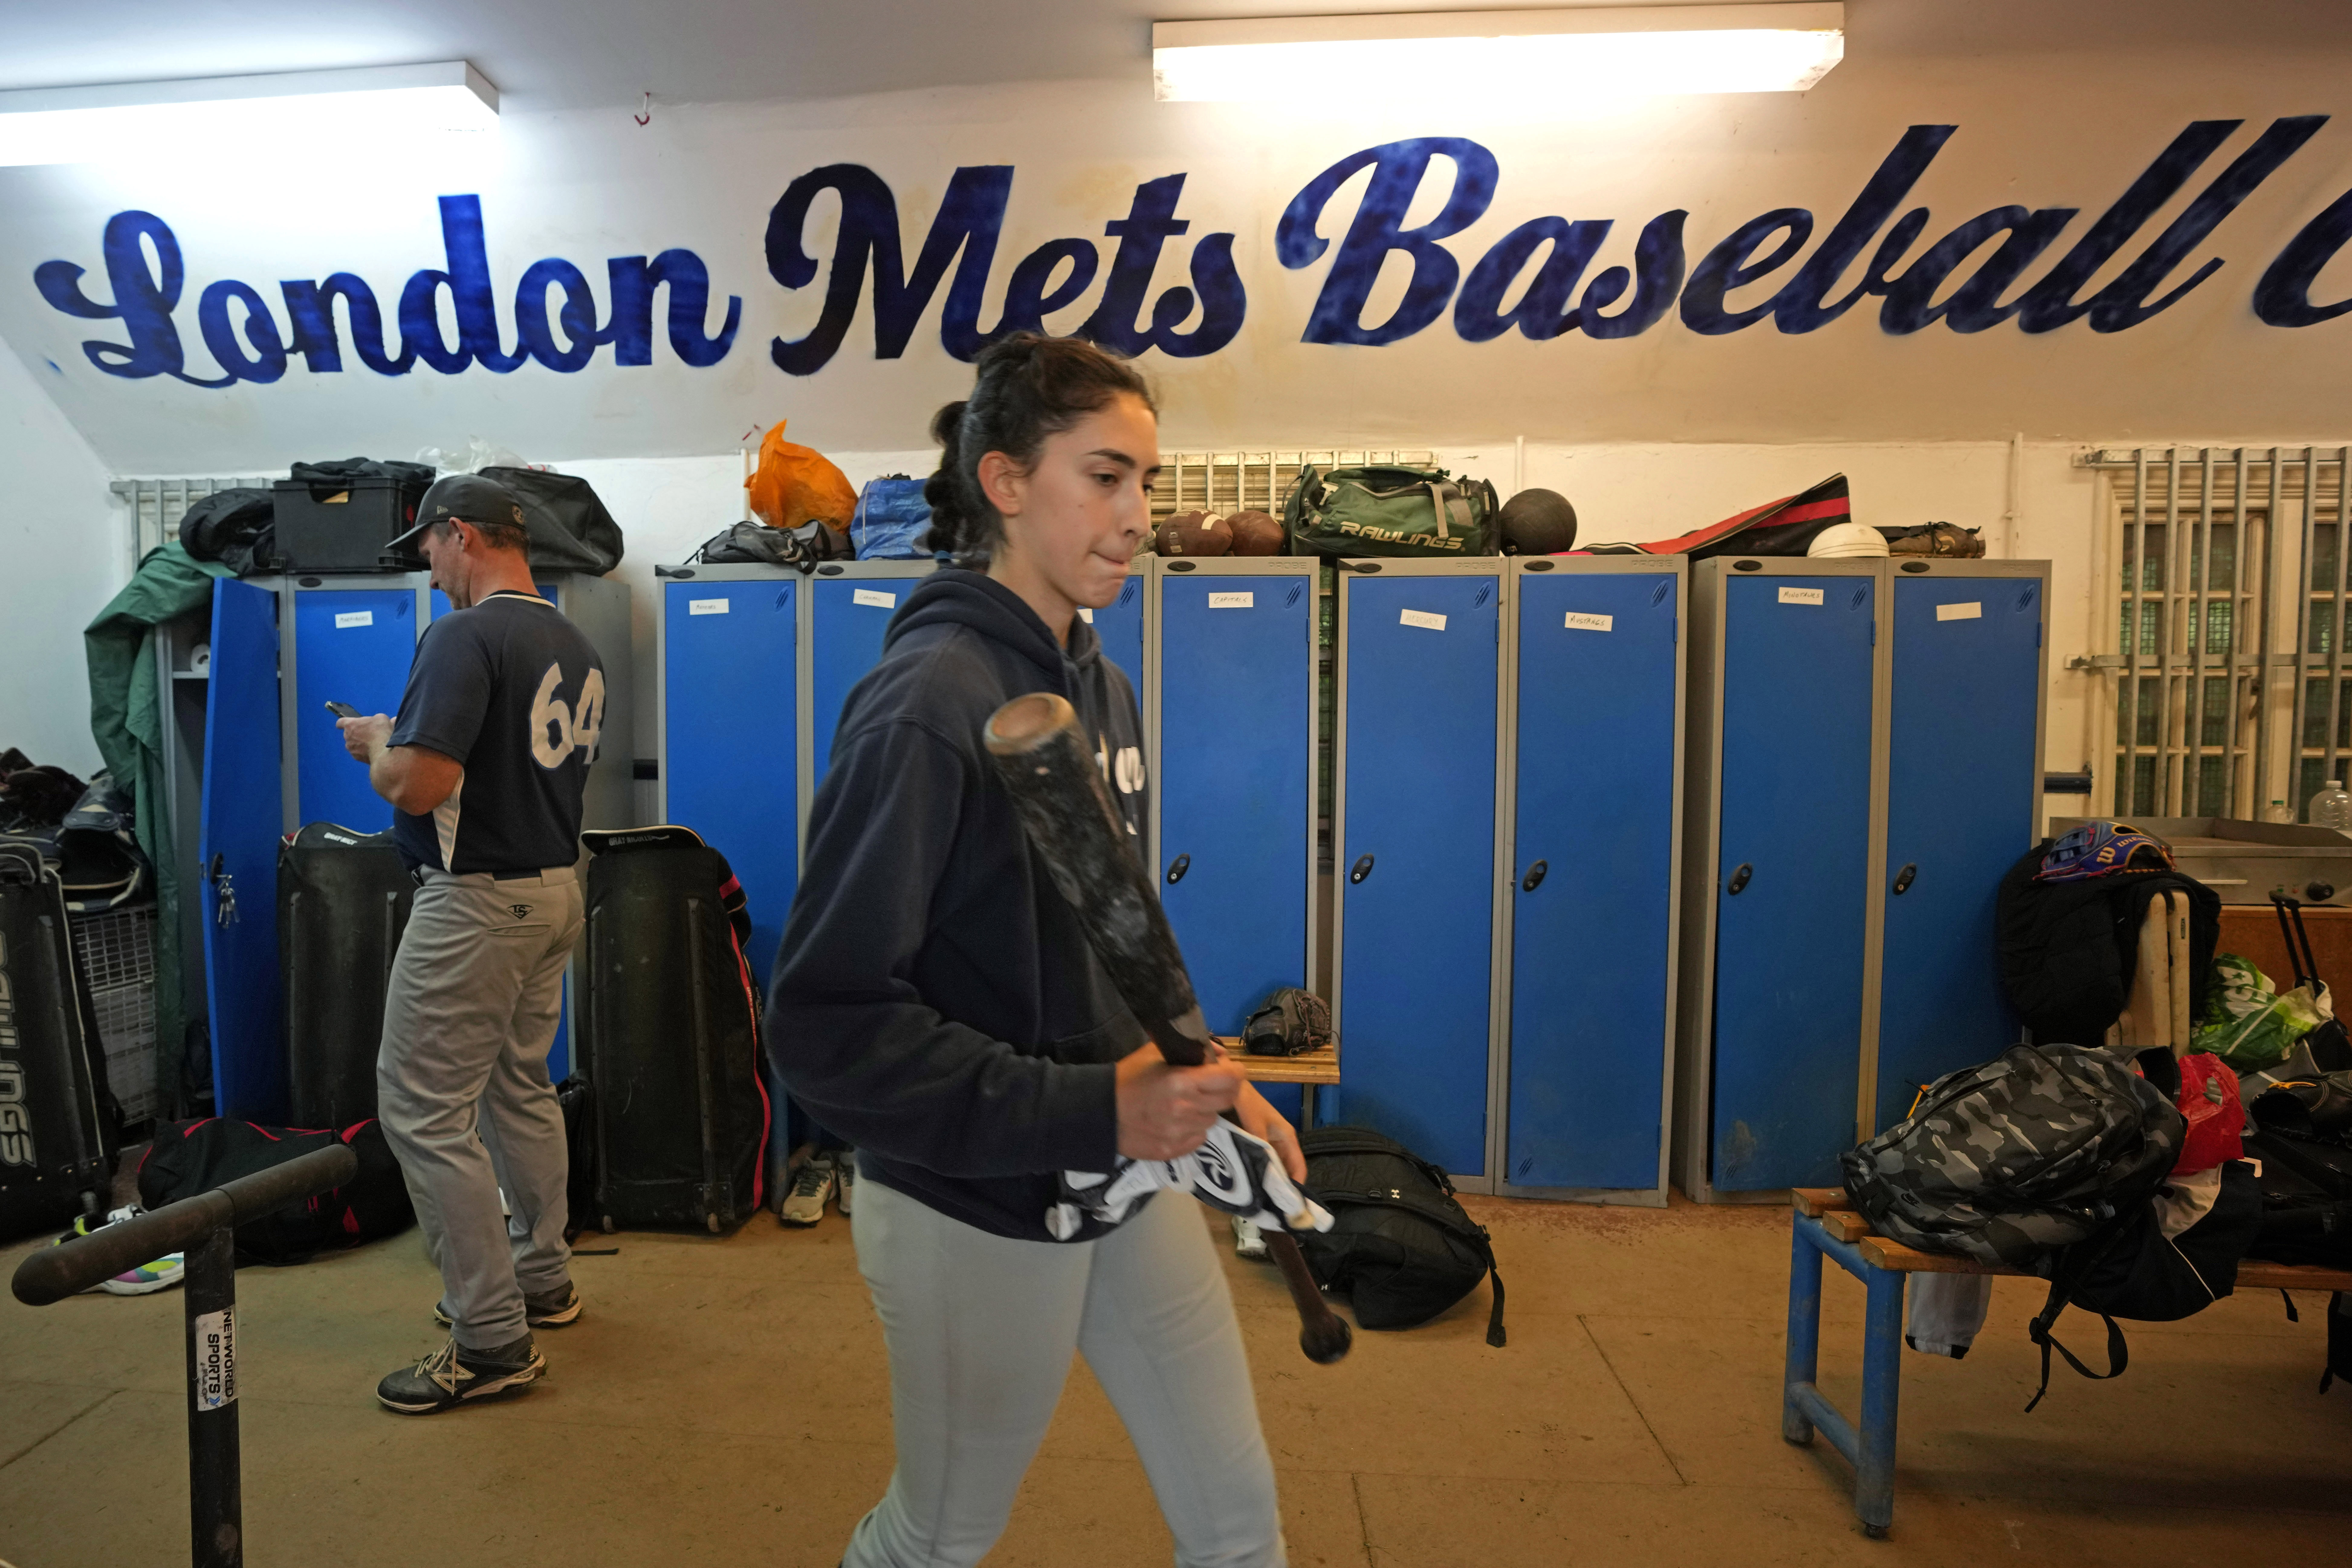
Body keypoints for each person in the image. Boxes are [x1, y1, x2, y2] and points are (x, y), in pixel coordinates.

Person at [769, 333, 1305, 1568]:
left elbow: (1108, 934)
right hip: (972, 1197)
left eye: (1146, 485)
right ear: (1005, 482)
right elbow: (824, 1025)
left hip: (1117, 1171)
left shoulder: (1093, 683)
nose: (1137, 518)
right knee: (938, 1535)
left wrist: (1203, 1085)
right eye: (1104, 477)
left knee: (1234, 1521)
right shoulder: (926, 704)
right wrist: (1094, 1108)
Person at [337, 473, 605, 1415]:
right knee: (517, 1088)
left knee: (422, 1112)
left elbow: (417, 785)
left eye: (428, 545)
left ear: (461, 536)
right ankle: (544, 1278)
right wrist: (398, 741)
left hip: (476, 906)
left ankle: (490, 1340)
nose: (425, 563)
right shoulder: (572, 638)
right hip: (554, 892)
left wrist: (378, 745)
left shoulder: (463, 633)